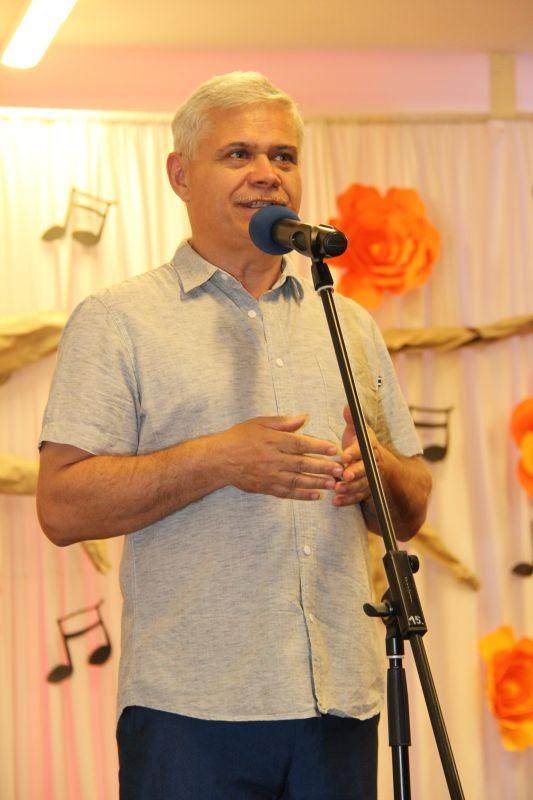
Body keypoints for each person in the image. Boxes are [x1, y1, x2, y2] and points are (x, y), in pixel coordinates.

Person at [37, 72, 431, 800]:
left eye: (283, 156)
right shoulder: (119, 320)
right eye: (238, 154)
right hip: (191, 711)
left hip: (338, 704)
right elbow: (61, 507)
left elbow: (409, 509)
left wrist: (375, 468)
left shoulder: (347, 322)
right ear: (180, 175)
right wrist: (217, 460)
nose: (266, 174)